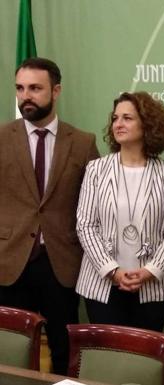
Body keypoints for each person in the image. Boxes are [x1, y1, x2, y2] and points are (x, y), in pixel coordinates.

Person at [0, 57, 99, 375]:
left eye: (35, 88)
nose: (25, 95)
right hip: (9, 262)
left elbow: (95, 205)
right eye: (20, 88)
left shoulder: (83, 143)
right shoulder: (1, 138)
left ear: (56, 91)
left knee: (65, 352)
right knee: (10, 353)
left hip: (62, 263)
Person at [75, 92, 164, 332]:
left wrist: (150, 271)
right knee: (108, 357)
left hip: (154, 286)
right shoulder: (96, 169)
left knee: (145, 359)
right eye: (115, 118)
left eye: (127, 118)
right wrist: (112, 271)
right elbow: (85, 225)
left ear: (147, 125)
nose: (118, 124)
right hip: (101, 283)